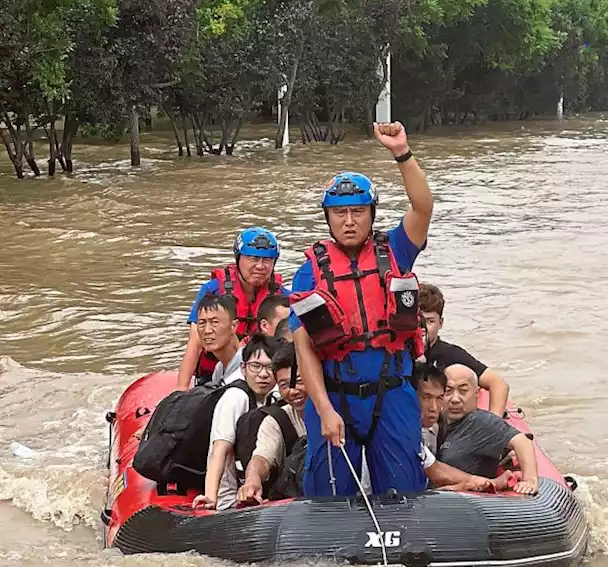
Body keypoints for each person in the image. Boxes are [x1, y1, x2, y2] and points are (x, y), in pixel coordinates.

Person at [289, 122, 434, 498]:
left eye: (357, 212)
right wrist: (322, 409)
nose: (349, 221)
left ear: (371, 214)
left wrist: (401, 151)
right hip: (335, 395)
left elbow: (423, 206)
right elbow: (304, 346)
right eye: (340, 213)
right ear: (328, 218)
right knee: (327, 495)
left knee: (405, 493)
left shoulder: (396, 250)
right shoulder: (311, 271)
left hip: (393, 393)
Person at [177, 227, 286, 390]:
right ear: (238, 259)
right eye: (253, 258)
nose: (260, 266)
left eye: (267, 260)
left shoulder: (282, 298)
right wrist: (181, 390)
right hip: (213, 372)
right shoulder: (213, 291)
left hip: (262, 374)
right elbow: (195, 343)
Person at [193, 334, 279, 510]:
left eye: (270, 367)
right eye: (256, 366)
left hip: (261, 496)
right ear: (243, 368)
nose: (263, 374)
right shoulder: (235, 398)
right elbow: (219, 450)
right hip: (230, 501)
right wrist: (210, 497)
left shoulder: (276, 397)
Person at [436, 364, 539, 495]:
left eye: (463, 391)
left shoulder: (481, 422)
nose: (455, 399)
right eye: (448, 391)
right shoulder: (435, 421)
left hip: (468, 501)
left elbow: (522, 441)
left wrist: (530, 480)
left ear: (476, 393)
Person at [414, 363, 512, 491]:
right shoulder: (406, 434)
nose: (433, 407)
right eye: (426, 398)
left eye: (439, 398)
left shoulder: (482, 421)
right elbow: (436, 473)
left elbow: (436, 470)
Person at [417, 283, 510, 416]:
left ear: (441, 323)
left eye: (430, 321)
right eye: (417, 321)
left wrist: (494, 423)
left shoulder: (450, 354)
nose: (422, 328)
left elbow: (499, 384)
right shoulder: (395, 354)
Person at [235, 342, 307, 505]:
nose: (293, 390)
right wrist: (252, 481)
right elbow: (261, 458)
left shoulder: (333, 412)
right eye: (284, 385)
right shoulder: (276, 420)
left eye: (300, 381)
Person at [195, 294, 244, 388]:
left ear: (234, 326)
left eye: (215, 322)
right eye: (202, 323)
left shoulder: (246, 368)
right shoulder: (219, 368)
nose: (207, 330)